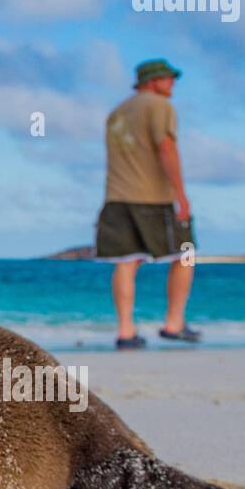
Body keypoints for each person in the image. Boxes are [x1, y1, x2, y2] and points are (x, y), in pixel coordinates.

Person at [95, 59, 198, 350]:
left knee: (126, 262)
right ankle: (174, 323)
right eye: (169, 79)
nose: (173, 84)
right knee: (186, 254)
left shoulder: (115, 113)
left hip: (116, 197)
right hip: (152, 197)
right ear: (153, 81)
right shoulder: (159, 106)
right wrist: (181, 195)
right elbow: (166, 148)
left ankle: (126, 331)